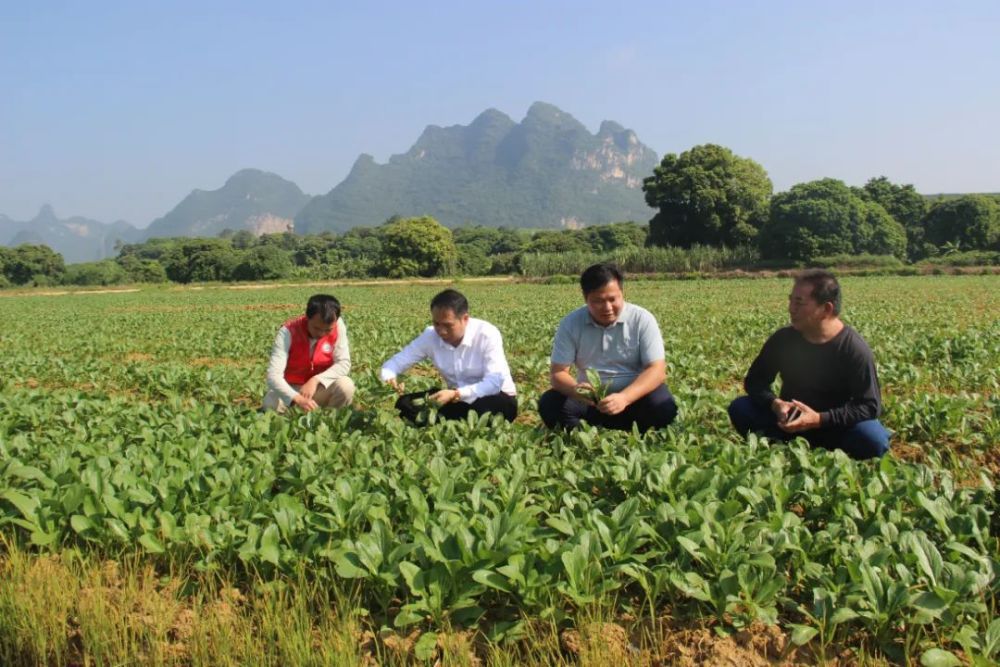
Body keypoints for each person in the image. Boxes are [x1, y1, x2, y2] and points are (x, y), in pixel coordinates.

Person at [728, 269, 890, 459]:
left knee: (873, 439)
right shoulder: (783, 339)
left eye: (799, 303)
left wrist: (819, 419)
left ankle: (814, 448)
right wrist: (775, 404)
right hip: (790, 422)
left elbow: (870, 406)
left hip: (835, 426)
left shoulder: (853, 348)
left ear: (826, 309)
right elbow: (755, 381)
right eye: (791, 300)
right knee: (741, 408)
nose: (791, 308)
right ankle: (795, 445)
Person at [538, 263, 678, 432]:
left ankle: (630, 430)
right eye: (597, 301)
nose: (607, 308)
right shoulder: (571, 323)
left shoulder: (642, 319)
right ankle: (588, 436)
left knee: (663, 406)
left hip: (634, 399)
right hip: (592, 402)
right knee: (550, 404)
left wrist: (624, 398)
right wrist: (577, 390)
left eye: (612, 299)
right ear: (585, 297)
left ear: (622, 293)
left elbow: (657, 370)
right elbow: (558, 373)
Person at [380, 289, 518, 423]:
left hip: (496, 397)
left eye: (448, 325)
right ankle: (451, 422)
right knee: (405, 404)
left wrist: (457, 394)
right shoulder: (430, 336)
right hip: (453, 398)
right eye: (436, 324)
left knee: (483, 409)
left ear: (465, 319)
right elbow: (395, 363)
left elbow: (494, 382)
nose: (441, 331)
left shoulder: (486, 334)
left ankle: (447, 422)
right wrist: (389, 378)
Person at [262, 294, 355, 413]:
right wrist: (298, 398)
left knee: (345, 386)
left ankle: (330, 420)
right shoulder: (287, 332)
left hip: (320, 387)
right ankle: (295, 416)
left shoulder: (338, 326)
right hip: (292, 388)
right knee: (270, 404)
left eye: (328, 330)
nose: (321, 334)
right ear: (307, 318)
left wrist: (316, 380)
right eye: (316, 328)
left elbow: (344, 363)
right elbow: (273, 376)